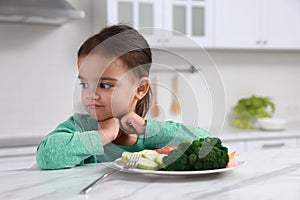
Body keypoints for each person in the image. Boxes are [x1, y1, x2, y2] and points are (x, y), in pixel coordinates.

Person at [36, 24, 209, 170]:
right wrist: (102, 135)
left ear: (140, 89)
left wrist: (146, 128)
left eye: (105, 85)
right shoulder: (81, 127)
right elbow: (46, 156)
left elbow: (207, 143)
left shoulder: (153, 136)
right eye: (85, 84)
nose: (91, 95)